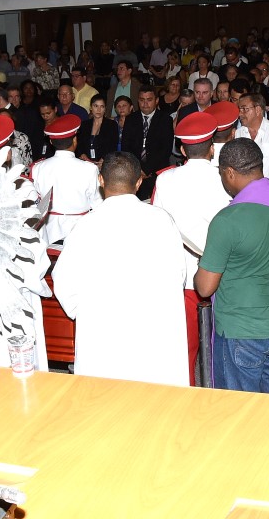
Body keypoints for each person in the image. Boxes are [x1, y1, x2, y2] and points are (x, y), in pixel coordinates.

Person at [53, 152, 188, 386]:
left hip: (105, 338)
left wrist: (87, 311)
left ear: (101, 181)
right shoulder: (162, 220)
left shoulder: (85, 225)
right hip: (153, 335)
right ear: (138, 182)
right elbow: (180, 275)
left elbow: (63, 282)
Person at [196, 138, 269, 395]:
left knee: (240, 412)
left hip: (243, 331)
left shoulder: (228, 220)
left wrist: (204, 261)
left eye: (222, 174)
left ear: (229, 172)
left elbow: (205, 288)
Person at [152, 112, 232, 385]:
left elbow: (159, 227)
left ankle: (186, 394)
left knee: (184, 346)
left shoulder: (165, 179)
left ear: (182, 149)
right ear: (212, 148)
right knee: (222, 344)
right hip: (221, 272)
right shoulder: (226, 178)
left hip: (182, 275)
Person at [31, 114, 101, 245]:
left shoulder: (38, 168)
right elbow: (97, 204)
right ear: (75, 140)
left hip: (47, 233)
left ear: (51, 142)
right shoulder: (89, 169)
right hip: (81, 233)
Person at [120, 86, 175, 199]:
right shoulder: (131, 119)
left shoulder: (165, 119)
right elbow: (126, 147)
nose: (145, 104)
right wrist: (138, 169)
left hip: (157, 172)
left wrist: (146, 169)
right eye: (142, 100)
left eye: (149, 100)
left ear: (156, 100)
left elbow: (165, 149)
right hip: (135, 172)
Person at [75, 94, 118, 165]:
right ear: (91, 108)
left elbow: (113, 146)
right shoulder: (84, 124)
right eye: (96, 106)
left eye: (102, 106)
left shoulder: (111, 125)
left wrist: (103, 160)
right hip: (86, 163)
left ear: (105, 109)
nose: (99, 110)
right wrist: (83, 155)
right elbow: (79, 144)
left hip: (105, 163)